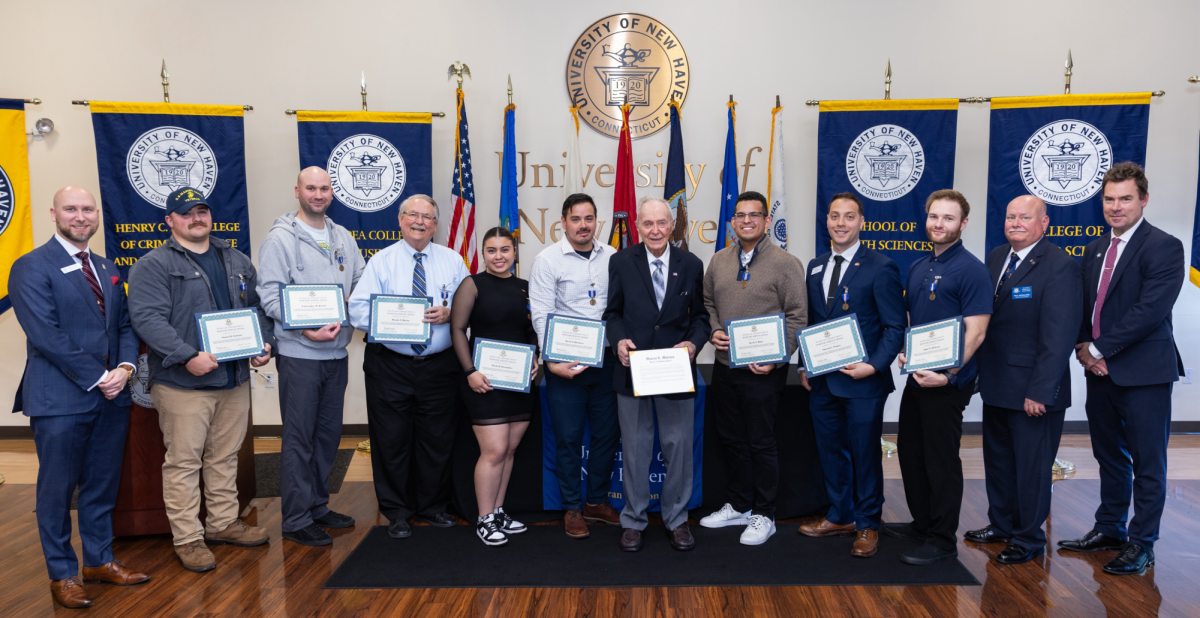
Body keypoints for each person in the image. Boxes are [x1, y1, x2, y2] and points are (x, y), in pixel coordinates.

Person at [9, 186, 151, 608]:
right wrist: (99, 376)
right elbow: (45, 335)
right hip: (60, 399)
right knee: (57, 490)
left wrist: (125, 370)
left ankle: (99, 561)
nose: (81, 216)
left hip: (111, 397)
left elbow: (125, 326)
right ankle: (63, 574)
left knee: (102, 485)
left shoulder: (106, 266)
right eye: (71, 209)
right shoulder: (31, 267)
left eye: (88, 209)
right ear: (54, 213)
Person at [128, 187, 274, 573]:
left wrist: (264, 343)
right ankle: (188, 538)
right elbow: (147, 319)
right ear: (170, 221)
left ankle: (223, 523)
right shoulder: (153, 264)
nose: (196, 218)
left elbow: (257, 308)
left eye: (202, 211)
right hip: (182, 383)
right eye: (186, 213)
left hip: (233, 377)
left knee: (225, 457)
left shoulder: (235, 258)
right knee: (183, 463)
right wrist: (186, 356)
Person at [1060, 162, 1186, 576]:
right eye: (1109, 199)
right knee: (1109, 455)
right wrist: (1083, 346)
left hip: (1144, 374)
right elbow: (1086, 304)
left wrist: (1097, 348)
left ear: (1143, 200)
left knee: (1149, 463)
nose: (1116, 207)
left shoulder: (1164, 246)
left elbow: (1149, 312)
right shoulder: (1097, 247)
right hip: (1098, 371)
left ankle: (1142, 543)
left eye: (1125, 198)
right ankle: (1110, 528)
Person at [969, 195, 1082, 565]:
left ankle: (1028, 538)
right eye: (1010, 215)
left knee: (1032, 470)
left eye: (1025, 217)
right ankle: (1001, 526)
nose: (1016, 222)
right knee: (999, 461)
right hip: (997, 384)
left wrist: (1041, 391)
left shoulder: (1060, 265)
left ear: (1044, 222)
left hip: (1034, 391)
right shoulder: (997, 256)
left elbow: (1060, 335)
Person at [348, 194, 469, 539]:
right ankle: (397, 511)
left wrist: (450, 314)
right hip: (391, 366)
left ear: (436, 224)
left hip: (440, 366)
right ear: (400, 220)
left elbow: (470, 308)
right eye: (413, 215)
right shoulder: (381, 262)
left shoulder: (453, 260)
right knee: (391, 440)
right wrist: (389, 318)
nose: (420, 221)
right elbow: (356, 311)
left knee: (437, 439)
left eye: (427, 217)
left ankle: (432, 506)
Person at [256, 167, 366, 546]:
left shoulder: (343, 237)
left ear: (331, 193)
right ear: (298, 191)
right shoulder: (279, 240)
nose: (317, 194)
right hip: (300, 353)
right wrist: (304, 329)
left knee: (327, 436)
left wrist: (359, 303)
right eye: (310, 188)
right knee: (299, 439)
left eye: (324, 188)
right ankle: (296, 518)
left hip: (336, 353)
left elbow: (360, 283)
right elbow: (269, 295)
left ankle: (318, 504)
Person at [883, 189, 992, 565]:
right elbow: (914, 320)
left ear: (963, 223)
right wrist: (908, 353)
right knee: (911, 452)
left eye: (948, 218)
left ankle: (943, 539)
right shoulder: (918, 266)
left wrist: (947, 375)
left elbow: (976, 333)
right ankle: (922, 523)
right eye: (934, 217)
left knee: (941, 460)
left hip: (947, 383)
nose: (939, 224)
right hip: (917, 377)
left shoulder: (973, 270)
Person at [797, 192, 905, 558]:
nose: (840, 223)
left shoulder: (881, 266)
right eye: (834, 216)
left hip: (864, 382)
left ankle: (868, 523)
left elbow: (894, 327)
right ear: (826, 221)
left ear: (862, 222)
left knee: (863, 454)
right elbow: (812, 324)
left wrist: (873, 365)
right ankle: (840, 515)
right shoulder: (814, 266)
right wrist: (804, 365)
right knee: (831, 452)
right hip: (823, 381)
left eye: (848, 217)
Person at [699, 190, 807, 546]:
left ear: (765, 221)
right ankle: (740, 505)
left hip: (764, 370)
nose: (747, 221)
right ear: (732, 222)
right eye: (740, 215)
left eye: (754, 215)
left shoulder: (785, 262)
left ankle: (765, 513)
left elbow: (798, 316)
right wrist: (714, 329)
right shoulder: (718, 260)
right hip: (725, 367)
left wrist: (779, 357)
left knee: (761, 442)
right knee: (731, 439)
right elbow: (708, 303)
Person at [604, 196, 710, 552]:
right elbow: (612, 313)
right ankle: (634, 520)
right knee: (634, 448)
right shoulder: (620, 261)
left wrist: (694, 346)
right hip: (632, 370)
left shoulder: (692, 263)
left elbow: (700, 319)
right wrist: (618, 340)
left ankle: (676, 520)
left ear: (672, 225)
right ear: (637, 225)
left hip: (675, 372)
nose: (655, 230)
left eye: (662, 223)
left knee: (678, 446)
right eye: (647, 224)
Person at [528, 193, 622, 539]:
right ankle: (572, 507)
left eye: (589, 218)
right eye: (575, 219)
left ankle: (596, 502)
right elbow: (541, 312)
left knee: (607, 435)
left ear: (596, 221)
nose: (583, 225)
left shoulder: (612, 256)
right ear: (563, 222)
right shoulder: (547, 260)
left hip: (607, 361)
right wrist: (551, 361)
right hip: (565, 364)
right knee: (567, 439)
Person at [451, 227, 539, 546]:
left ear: (515, 252)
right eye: (491, 250)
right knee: (494, 450)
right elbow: (458, 329)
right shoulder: (472, 285)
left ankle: (498, 511)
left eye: (504, 250)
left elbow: (532, 330)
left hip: (518, 381)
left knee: (510, 449)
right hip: (483, 381)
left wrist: (535, 357)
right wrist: (470, 371)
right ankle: (484, 518)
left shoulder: (526, 288)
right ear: (483, 253)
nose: (498, 256)